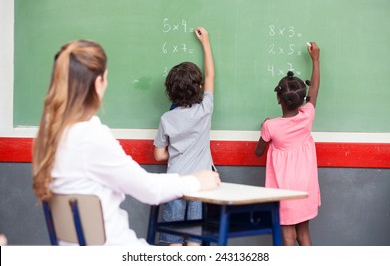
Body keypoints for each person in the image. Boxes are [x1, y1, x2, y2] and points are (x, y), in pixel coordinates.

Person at [32, 39, 220, 246]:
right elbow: (150, 190)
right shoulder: (93, 136)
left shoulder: (48, 137)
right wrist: (198, 181)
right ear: (98, 84)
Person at [153, 27, 215, 246]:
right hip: (200, 185)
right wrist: (206, 42)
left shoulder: (166, 119)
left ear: (170, 91)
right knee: (195, 244)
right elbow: (210, 76)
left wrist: (179, 149)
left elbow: (159, 155)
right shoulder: (205, 109)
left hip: (174, 184)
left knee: (173, 243)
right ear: (199, 88)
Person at [254, 42, 321, 246]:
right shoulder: (307, 115)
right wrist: (316, 60)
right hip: (305, 187)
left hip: (283, 191)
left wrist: (264, 127)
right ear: (303, 100)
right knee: (304, 234)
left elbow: (258, 152)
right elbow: (316, 88)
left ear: (278, 99)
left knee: (288, 236)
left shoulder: (271, 126)